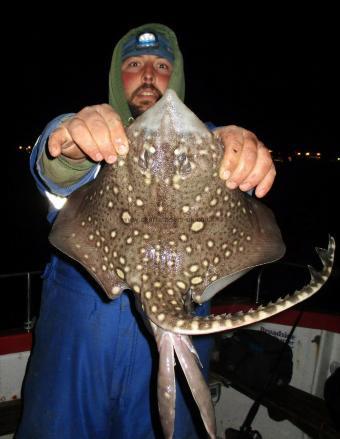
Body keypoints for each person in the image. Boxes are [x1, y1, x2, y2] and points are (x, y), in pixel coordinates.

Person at [17, 23, 275, 439]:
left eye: (161, 65)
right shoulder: (97, 135)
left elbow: (247, 193)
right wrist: (69, 140)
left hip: (183, 321)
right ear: (117, 79)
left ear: (177, 78)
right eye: (134, 64)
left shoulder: (213, 146)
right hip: (77, 346)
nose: (150, 75)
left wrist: (244, 155)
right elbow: (57, 165)